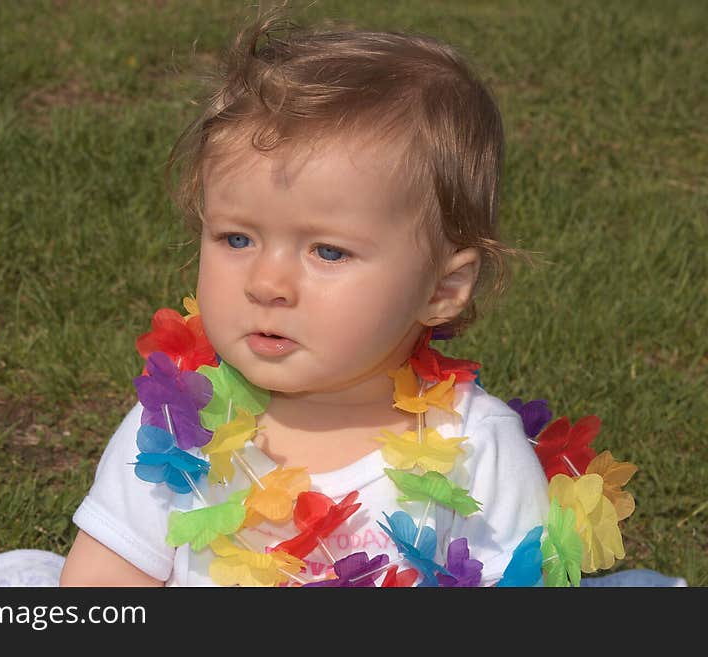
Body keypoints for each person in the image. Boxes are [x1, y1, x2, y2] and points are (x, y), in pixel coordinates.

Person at [59, 13, 648, 587]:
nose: (267, 283)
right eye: (237, 238)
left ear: (441, 289)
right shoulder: (178, 427)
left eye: (328, 252)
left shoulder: (476, 447)